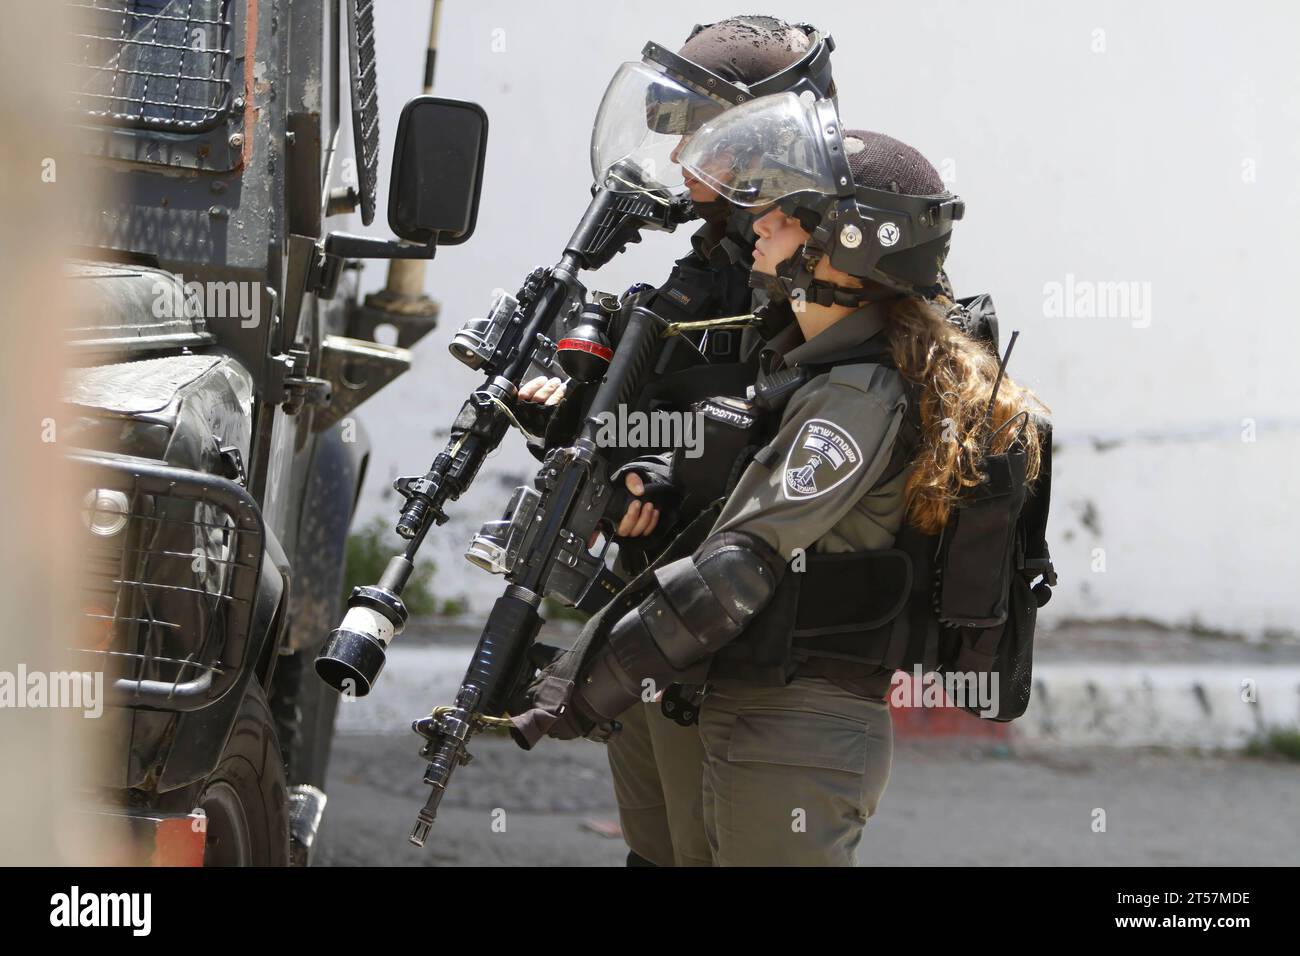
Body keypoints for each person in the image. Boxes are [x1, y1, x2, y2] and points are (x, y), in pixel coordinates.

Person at [517, 92, 1047, 865]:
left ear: (852, 247)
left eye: (790, 214)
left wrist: (570, 690)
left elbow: (737, 568)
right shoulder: (796, 360)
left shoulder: (856, 395)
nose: (759, 223)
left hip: (792, 723)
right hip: (732, 700)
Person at [518, 16, 838, 868]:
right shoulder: (711, 262)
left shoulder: (825, 271)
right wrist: (601, 433)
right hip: (662, 610)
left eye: (708, 133)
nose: (683, 153)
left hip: (758, 632)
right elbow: (674, 404)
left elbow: (794, 434)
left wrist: (665, 464)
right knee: (659, 853)